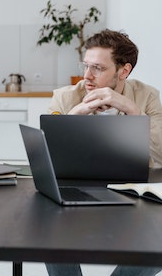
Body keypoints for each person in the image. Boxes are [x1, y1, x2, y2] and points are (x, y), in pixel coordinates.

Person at [46, 29, 162, 276]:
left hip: (132, 192)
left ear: (124, 71)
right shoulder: (65, 97)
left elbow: (160, 157)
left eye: (97, 68)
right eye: (86, 65)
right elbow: (47, 158)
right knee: (50, 236)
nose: (87, 75)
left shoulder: (148, 96)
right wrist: (75, 115)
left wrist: (131, 109)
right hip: (76, 190)